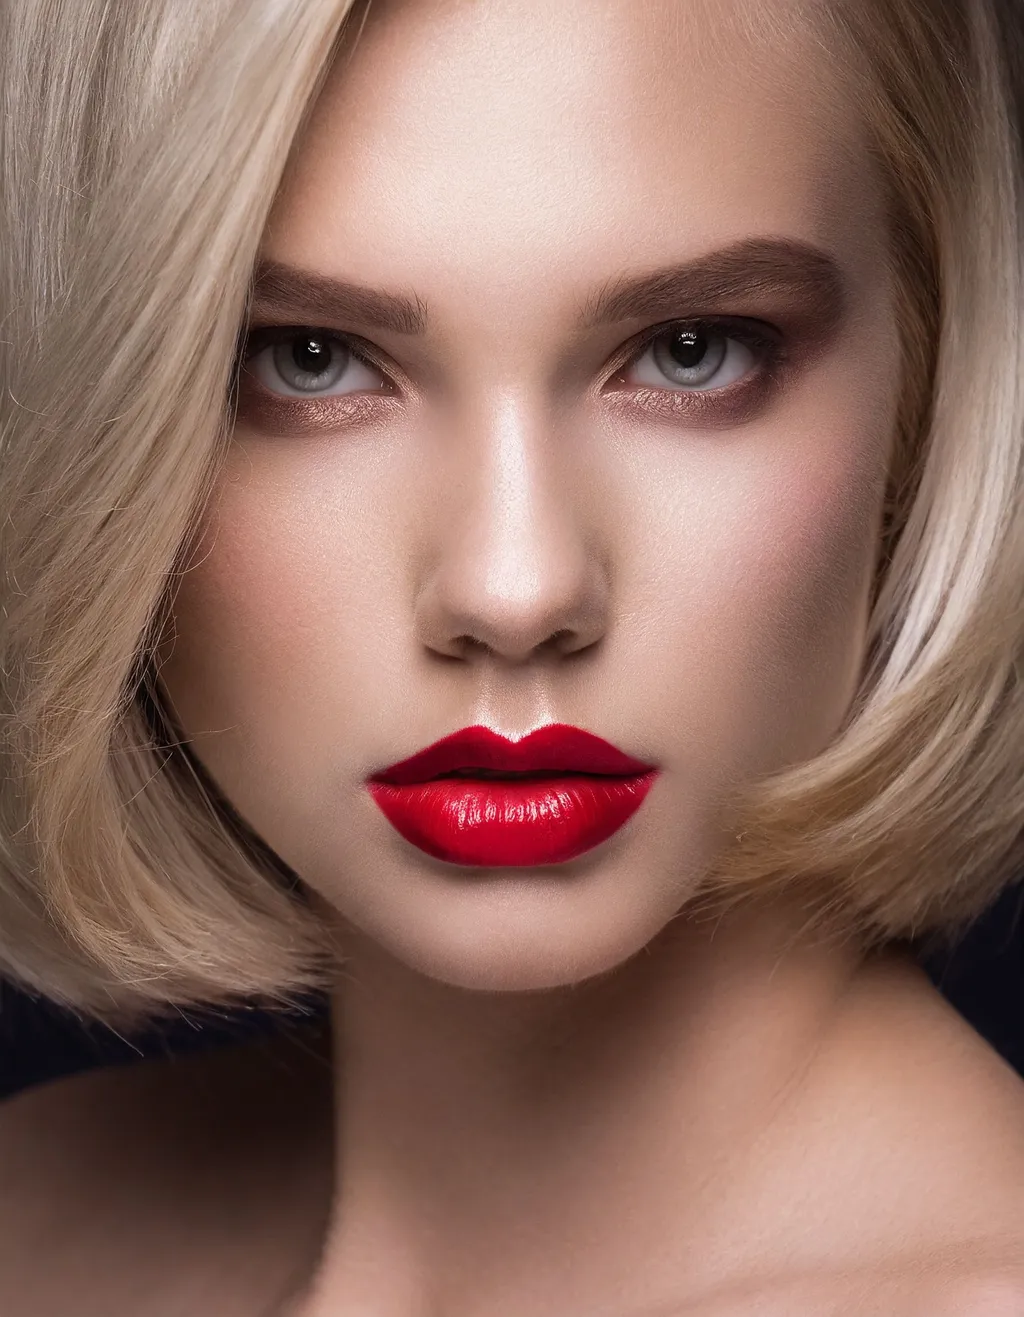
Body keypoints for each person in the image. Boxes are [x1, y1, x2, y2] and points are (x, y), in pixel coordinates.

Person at [2, 0, 1024, 1311]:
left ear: (926, 382)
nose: (514, 586)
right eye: (309, 363)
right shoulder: (30, 1221)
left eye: (690, 351)